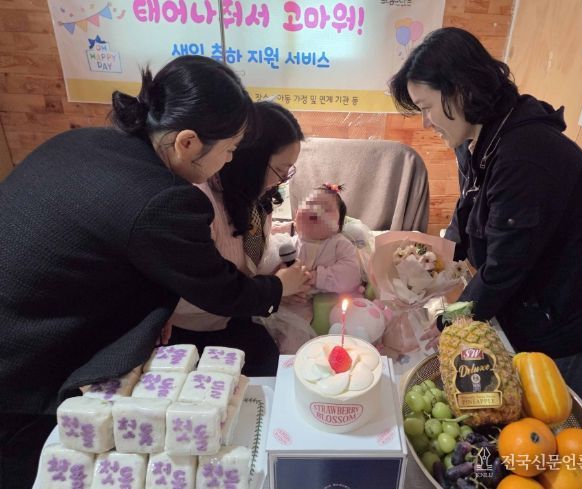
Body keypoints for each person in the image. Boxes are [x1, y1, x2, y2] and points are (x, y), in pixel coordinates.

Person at [0, 56, 309, 488]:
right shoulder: (165, 199)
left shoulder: (79, 141)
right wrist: (275, 289)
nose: (230, 160)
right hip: (26, 365)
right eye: (229, 149)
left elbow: (110, 248)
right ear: (187, 142)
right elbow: (220, 290)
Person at [389, 27, 582, 407]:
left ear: (460, 90)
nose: (426, 122)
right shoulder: (478, 136)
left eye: (427, 107)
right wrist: (437, 259)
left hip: (565, 319)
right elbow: (469, 206)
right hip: (531, 301)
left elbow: (504, 266)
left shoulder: (524, 155)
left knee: (552, 424)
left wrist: (450, 321)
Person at [167, 100, 305, 373]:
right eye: (280, 169)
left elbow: (245, 264)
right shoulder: (198, 202)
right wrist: (275, 288)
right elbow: (206, 290)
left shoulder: (255, 198)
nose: (281, 180)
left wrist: (278, 282)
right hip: (191, 330)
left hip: (234, 314)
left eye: (289, 171)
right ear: (251, 158)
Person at [262, 183, 363, 353]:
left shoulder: (339, 244)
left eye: (326, 209)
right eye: (308, 205)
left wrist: (316, 277)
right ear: (296, 217)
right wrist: (282, 288)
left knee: (294, 341)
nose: (315, 210)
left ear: (338, 226)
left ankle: (293, 360)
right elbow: (275, 270)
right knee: (267, 331)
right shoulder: (290, 242)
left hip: (326, 302)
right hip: (292, 301)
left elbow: (351, 275)